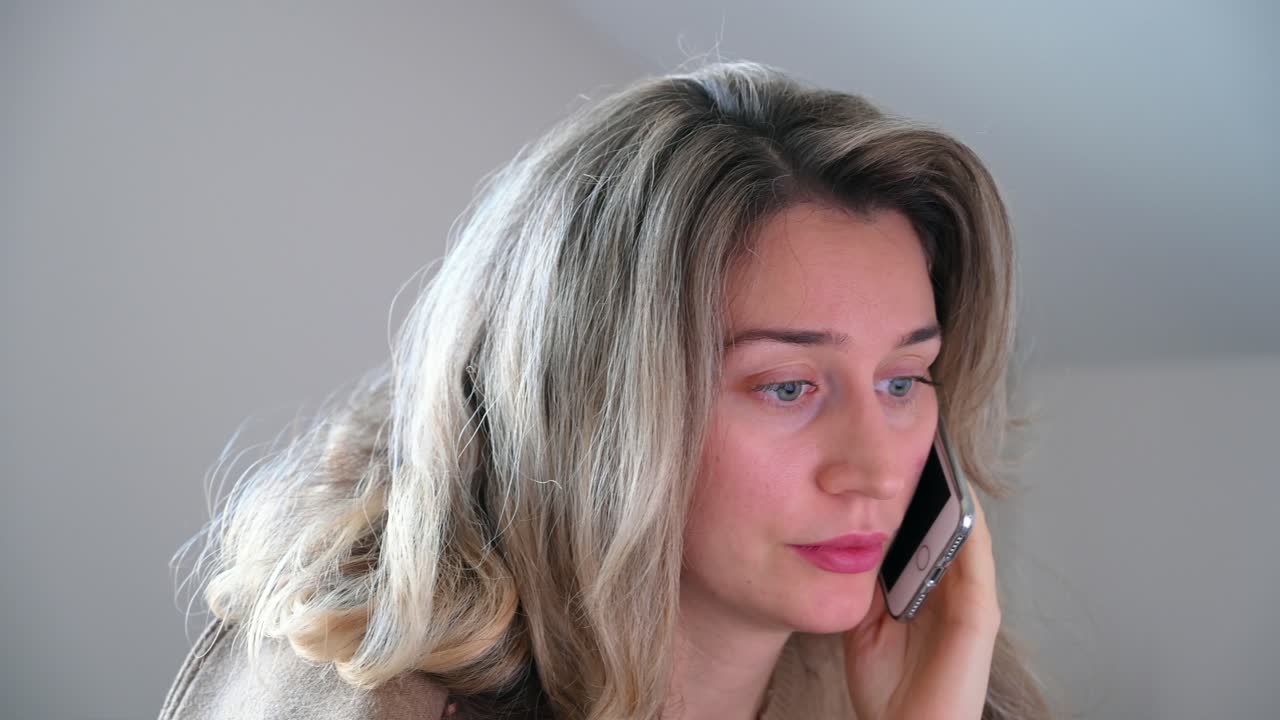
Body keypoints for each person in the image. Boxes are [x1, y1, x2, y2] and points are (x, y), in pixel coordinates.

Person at [161, 61, 1052, 720]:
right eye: (787, 388)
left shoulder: (929, 683)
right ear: (595, 405)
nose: (874, 472)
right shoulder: (356, 694)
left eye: (903, 380)